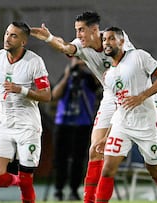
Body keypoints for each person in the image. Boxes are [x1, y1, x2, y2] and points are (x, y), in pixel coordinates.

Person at [30, 11, 157, 202]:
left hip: (139, 90)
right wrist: (49, 38)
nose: (78, 34)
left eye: (81, 30)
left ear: (95, 30)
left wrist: (141, 95)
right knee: (95, 150)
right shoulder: (81, 45)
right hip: (112, 96)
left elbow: (133, 66)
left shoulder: (116, 40)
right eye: (76, 31)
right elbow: (66, 46)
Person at [96, 26, 157, 203]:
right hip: (122, 125)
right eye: (104, 40)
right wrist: (107, 136)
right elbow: (119, 107)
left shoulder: (138, 56)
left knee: (155, 171)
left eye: (111, 39)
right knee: (107, 168)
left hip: (147, 124)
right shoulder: (108, 76)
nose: (106, 43)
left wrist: (141, 97)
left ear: (122, 41)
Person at [0, 21, 51, 203]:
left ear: (23, 42)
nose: (7, 38)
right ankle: (22, 181)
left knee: (27, 182)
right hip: (4, 125)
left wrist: (22, 90)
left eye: (13, 35)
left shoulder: (34, 62)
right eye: (6, 33)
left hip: (27, 127)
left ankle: (25, 183)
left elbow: (46, 95)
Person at [51, 57, 100, 201]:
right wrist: (67, 74)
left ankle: (74, 189)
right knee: (60, 158)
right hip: (63, 122)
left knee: (78, 159)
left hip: (82, 123)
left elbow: (98, 84)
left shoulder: (88, 78)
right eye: (76, 58)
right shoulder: (67, 75)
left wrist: (88, 66)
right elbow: (55, 94)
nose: (78, 61)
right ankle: (59, 189)